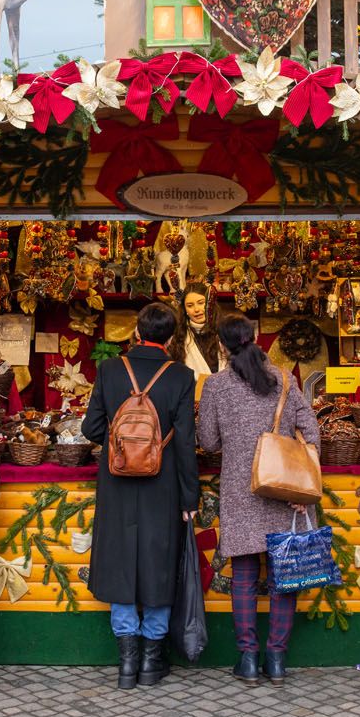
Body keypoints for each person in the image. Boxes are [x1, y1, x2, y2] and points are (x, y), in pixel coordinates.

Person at [197, 312, 320, 684]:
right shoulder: (284, 379)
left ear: (221, 345)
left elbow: (208, 442)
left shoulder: (216, 386)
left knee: (244, 578)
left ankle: (248, 659)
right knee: (285, 577)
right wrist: (306, 488)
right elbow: (311, 430)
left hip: (240, 489)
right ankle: (277, 660)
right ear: (256, 339)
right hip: (284, 490)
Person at [82, 301, 199, 689]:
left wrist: (122, 446)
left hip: (116, 485)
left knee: (119, 566)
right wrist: (189, 499)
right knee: (158, 567)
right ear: (171, 336)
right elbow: (184, 443)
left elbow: (91, 427)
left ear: (137, 331)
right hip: (162, 487)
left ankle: (126, 666)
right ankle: (151, 663)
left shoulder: (110, 370)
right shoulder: (181, 376)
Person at [168, 282, 226, 381]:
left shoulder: (226, 331)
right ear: (185, 309)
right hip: (191, 394)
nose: (196, 309)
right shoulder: (178, 337)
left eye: (201, 303)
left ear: (210, 303)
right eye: (190, 305)